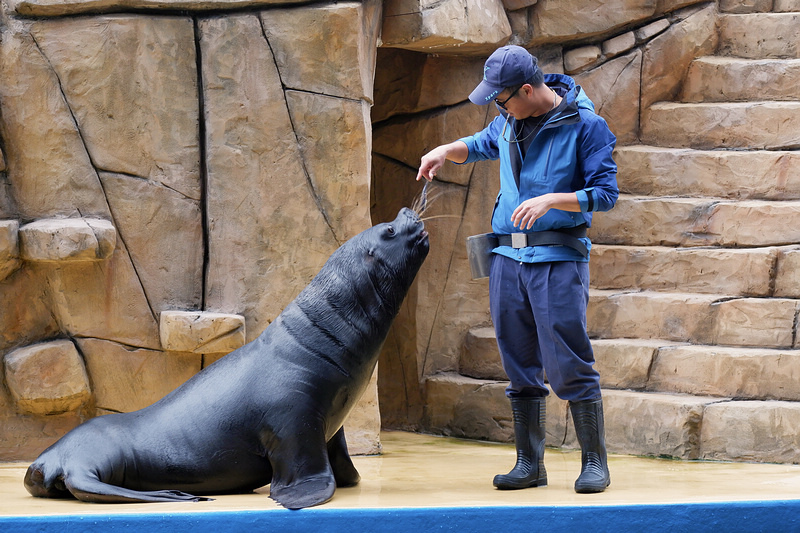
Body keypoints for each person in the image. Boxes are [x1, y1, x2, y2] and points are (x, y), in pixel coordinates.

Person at [416, 45, 618, 494]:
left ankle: (594, 462)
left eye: (500, 98)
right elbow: (482, 144)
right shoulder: (508, 120)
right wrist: (445, 150)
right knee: (518, 362)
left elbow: (606, 193)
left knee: (567, 358)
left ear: (526, 90)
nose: (496, 106)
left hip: (557, 258)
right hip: (507, 258)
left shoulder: (586, 126)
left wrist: (555, 199)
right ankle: (530, 463)